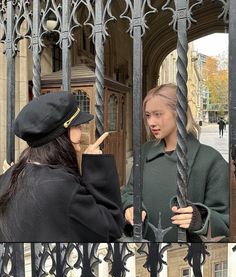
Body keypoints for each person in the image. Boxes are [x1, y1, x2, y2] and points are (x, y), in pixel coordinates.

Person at [0, 91, 123, 242]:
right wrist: (96, 167)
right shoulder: (61, 187)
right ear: (64, 133)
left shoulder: (8, 177)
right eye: (77, 125)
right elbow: (111, 228)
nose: (82, 131)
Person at [122, 83, 229, 242]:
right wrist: (130, 207)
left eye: (158, 114)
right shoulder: (145, 152)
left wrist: (200, 218)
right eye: (148, 115)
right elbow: (129, 193)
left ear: (179, 112)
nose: (151, 122)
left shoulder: (211, 160)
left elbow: (226, 219)